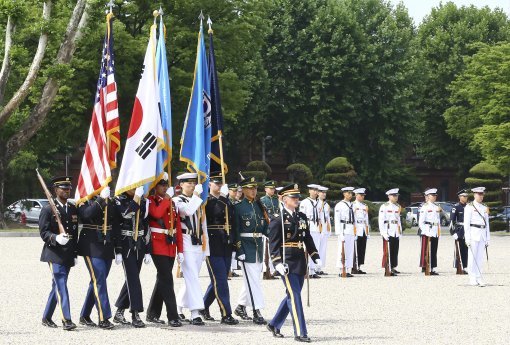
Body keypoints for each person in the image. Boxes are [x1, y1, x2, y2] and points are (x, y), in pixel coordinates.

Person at [267, 184, 322, 343]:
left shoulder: (302, 217)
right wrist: (276, 262)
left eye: (298, 197)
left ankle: (274, 324)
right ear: (284, 200)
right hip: (286, 262)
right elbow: (273, 243)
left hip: (299, 260)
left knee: (292, 294)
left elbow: (307, 239)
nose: (297, 199)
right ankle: (300, 332)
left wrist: (315, 256)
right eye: (293, 197)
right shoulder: (278, 219)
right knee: (295, 296)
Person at [40, 176, 79, 330]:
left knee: (56, 285)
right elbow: (44, 233)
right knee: (61, 283)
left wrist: (75, 253)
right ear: (55, 190)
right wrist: (56, 237)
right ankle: (66, 319)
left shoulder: (73, 208)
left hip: (68, 253)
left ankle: (46, 317)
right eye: (63, 188)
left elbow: (74, 233)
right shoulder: (48, 208)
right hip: (54, 252)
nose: (67, 191)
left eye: (69, 188)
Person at [146, 174, 184, 327]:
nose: (164, 187)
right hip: (157, 244)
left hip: (170, 245)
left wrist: (180, 249)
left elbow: (178, 227)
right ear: (155, 187)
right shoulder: (151, 201)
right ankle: (173, 316)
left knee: (162, 279)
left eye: (165, 184)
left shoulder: (172, 203)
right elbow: (156, 214)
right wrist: (168, 199)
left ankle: (152, 313)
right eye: (161, 185)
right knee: (167, 279)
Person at [201, 172, 239, 325]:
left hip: (226, 243)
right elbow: (214, 212)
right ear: (209, 184)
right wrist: (223, 197)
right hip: (213, 243)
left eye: (220, 183)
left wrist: (235, 243)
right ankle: (226, 313)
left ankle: (203, 306)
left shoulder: (227, 201)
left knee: (219, 279)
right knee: (221, 280)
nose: (219, 186)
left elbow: (233, 221)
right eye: (216, 183)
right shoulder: (207, 201)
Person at [173, 172, 210, 325]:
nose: (192, 186)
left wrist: (205, 249)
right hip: (186, 241)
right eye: (188, 183)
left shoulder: (198, 201)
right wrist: (196, 196)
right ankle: (195, 312)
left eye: (194, 183)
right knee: (192, 277)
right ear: (181, 185)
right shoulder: (177, 200)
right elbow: (187, 211)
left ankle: (178, 306)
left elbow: (203, 226)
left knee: (191, 277)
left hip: (197, 242)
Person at [77, 186, 116, 329]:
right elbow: (86, 215)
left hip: (107, 244)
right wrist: (100, 199)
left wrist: (117, 249)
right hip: (91, 245)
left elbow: (115, 222)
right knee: (99, 279)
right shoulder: (83, 200)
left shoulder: (109, 199)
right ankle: (103, 317)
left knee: (98, 280)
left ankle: (85, 315)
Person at [112, 186, 150, 328]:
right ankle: (135, 313)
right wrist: (118, 250)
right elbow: (126, 214)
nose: (135, 187)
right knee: (133, 278)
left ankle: (119, 311)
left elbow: (145, 224)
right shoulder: (118, 200)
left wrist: (147, 249)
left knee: (132, 278)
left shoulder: (143, 200)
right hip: (126, 244)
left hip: (139, 243)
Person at [233, 177, 269, 324]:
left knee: (253, 279)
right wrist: (239, 249)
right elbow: (235, 231)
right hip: (246, 247)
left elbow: (265, 228)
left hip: (258, 247)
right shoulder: (238, 207)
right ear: (243, 190)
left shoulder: (259, 206)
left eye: (255, 188)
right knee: (253, 281)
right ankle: (256, 311)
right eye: (250, 188)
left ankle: (241, 306)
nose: (253, 191)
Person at [464, 187, 490, 287]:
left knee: (479, 258)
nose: (481, 196)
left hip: (482, 234)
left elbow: (487, 224)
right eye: (479, 194)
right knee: (472, 257)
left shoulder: (484, 207)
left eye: (482, 194)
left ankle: (479, 276)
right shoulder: (469, 207)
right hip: (473, 234)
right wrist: (467, 238)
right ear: (474, 195)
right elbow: (466, 224)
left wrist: (488, 238)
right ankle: (472, 277)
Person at [299, 184, 321, 278]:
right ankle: (306, 269)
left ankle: (313, 270)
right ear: (309, 191)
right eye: (313, 190)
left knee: (315, 247)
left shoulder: (319, 202)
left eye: (317, 190)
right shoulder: (304, 202)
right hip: (308, 224)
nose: (315, 192)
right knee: (307, 247)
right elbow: (301, 217)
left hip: (316, 225)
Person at [378, 188, 402, 276]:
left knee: (395, 250)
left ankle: (393, 267)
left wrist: (400, 231)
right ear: (389, 196)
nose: (396, 197)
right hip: (388, 231)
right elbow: (381, 221)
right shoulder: (384, 206)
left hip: (395, 230)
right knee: (387, 251)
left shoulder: (397, 207)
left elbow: (398, 220)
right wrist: (383, 233)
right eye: (394, 196)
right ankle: (387, 268)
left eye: (397, 196)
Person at [419, 188, 441, 275]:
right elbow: (421, 222)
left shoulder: (436, 206)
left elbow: (438, 221)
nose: (434, 197)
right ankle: (427, 266)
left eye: (435, 195)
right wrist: (425, 231)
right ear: (428, 196)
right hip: (428, 230)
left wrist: (439, 232)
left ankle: (432, 267)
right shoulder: (425, 207)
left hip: (435, 230)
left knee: (434, 250)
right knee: (427, 250)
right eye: (433, 195)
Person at [335, 187, 356, 277]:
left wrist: (355, 232)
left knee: (350, 250)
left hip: (351, 229)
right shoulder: (339, 205)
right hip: (343, 228)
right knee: (342, 250)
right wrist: (339, 233)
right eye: (348, 193)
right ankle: (341, 269)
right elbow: (337, 220)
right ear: (344, 194)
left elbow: (354, 219)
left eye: (351, 193)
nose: (350, 195)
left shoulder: (352, 205)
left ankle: (348, 269)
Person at [260, 180, 279, 279]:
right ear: (265, 189)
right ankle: (265, 270)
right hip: (267, 227)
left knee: (273, 248)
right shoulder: (262, 200)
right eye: (271, 188)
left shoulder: (277, 200)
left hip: (275, 227)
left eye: (273, 188)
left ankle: (272, 270)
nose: (273, 190)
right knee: (265, 250)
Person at [450, 189, 469, 274]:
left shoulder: (469, 206)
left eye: (466, 196)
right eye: (464, 196)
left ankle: (467, 266)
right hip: (460, 231)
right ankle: (461, 266)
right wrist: (453, 233)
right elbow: (452, 222)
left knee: (468, 249)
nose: (465, 198)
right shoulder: (456, 207)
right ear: (459, 197)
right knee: (461, 250)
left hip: (468, 230)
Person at [352, 188, 369, 274]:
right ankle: (353, 266)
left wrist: (367, 231)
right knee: (355, 248)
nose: (362, 197)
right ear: (356, 195)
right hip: (357, 228)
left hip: (363, 228)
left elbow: (366, 219)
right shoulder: (353, 205)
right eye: (360, 195)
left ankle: (359, 266)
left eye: (363, 195)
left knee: (362, 248)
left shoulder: (364, 206)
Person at [317, 186, 331, 275]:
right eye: (322, 192)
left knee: (323, 249)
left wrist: (329, 229)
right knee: (317, 248)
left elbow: (327, 218)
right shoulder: (316, 203)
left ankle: (319, 268)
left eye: (325, 192)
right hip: (318, 228)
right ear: (318, 193)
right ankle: (313, 267)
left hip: (325, 228)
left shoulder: (326, 205)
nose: (324, 194)